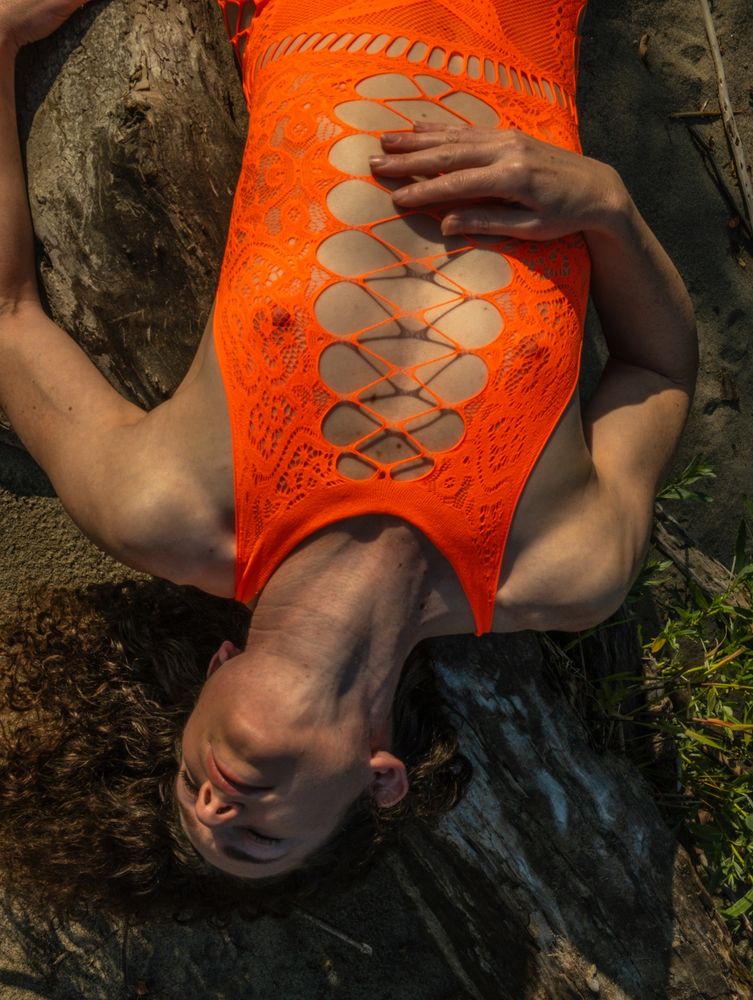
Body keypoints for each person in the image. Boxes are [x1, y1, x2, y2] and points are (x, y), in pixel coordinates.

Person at [0, 0, 697, 912]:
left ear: (215, 671)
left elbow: (9, 320)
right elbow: (658, 369)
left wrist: (1, 39)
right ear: (380, 779)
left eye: (185, 784)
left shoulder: (165, 508)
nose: (216, 806)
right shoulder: (563, 571)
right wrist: (607, 208)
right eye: (257, 839)